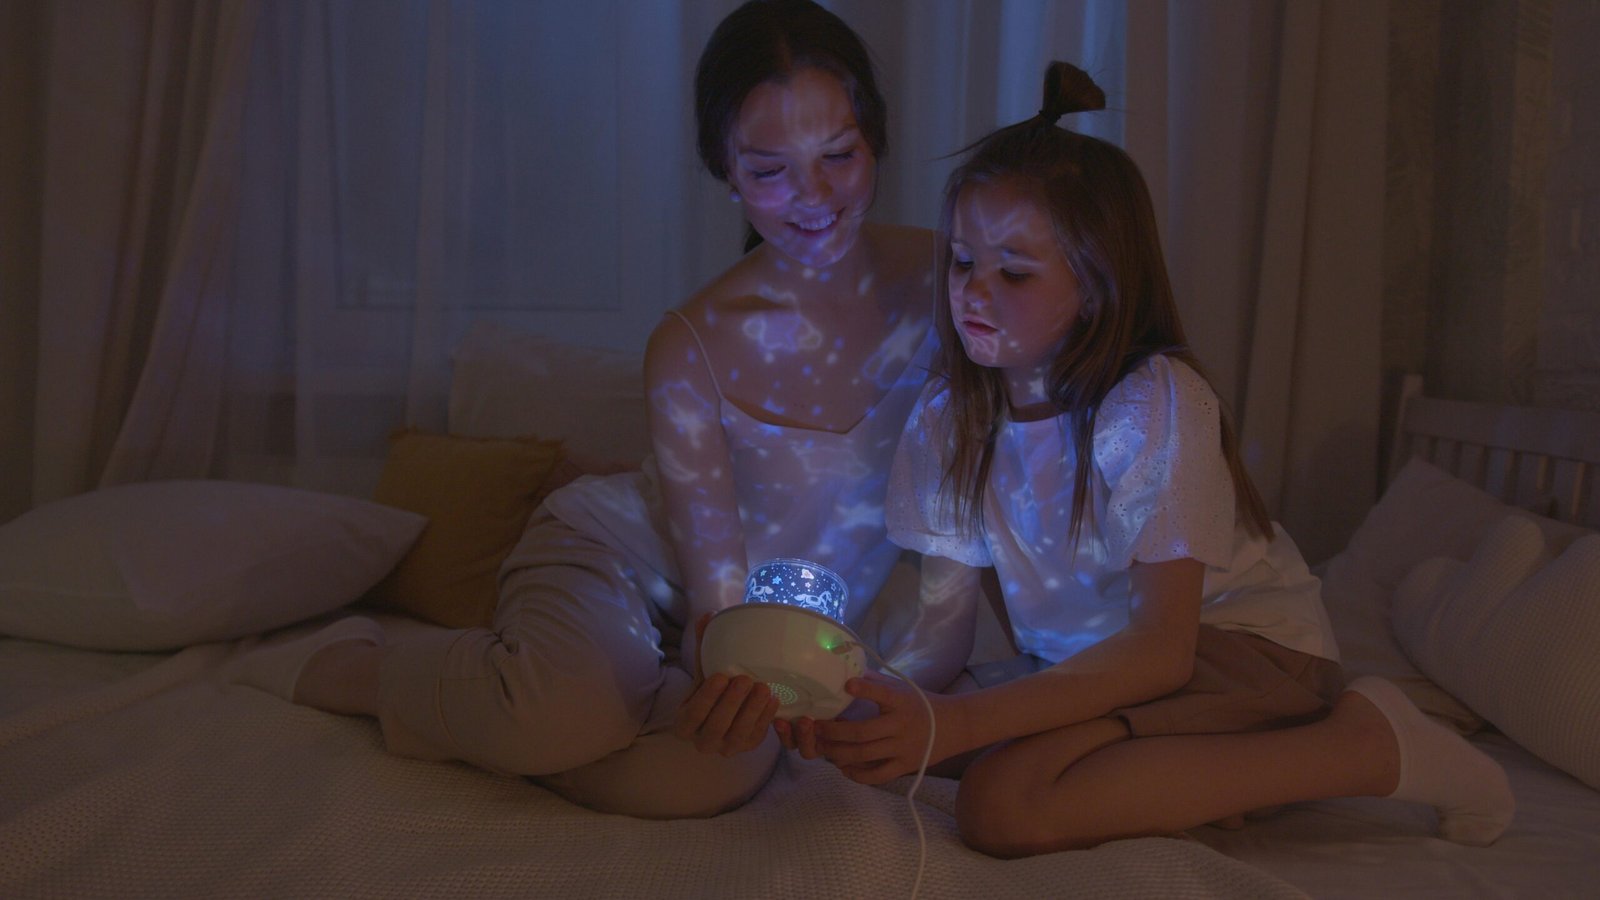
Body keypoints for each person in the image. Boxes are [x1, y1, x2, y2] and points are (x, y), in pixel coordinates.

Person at [230, 0, 976, 819]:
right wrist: (728, 668)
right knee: (567, 721)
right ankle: (367, 668)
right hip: (620, 562)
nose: (815, 195)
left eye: (839, 154)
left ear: (876, 140)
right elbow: (718, 602)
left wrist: (900, 696)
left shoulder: (951, 287)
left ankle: (555, 701)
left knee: (709, 776)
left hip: (782, 620)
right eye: (770, 170)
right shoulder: (694, 344)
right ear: (725, 171)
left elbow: (956, 546)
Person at [808, 61, 1516, 856]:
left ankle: (1367, 743)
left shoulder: (1149, 404)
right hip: (1104, 669)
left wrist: (963, 721)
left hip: (1240, 652)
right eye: (963, 261)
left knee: (1004, 806)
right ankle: (1214, 783)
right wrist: (864, 704)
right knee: (927, 750)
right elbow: (942, 639)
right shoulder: (949, 419)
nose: (973, 291)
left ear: (1098, 286)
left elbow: (1162, 647)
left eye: (1013, 270)